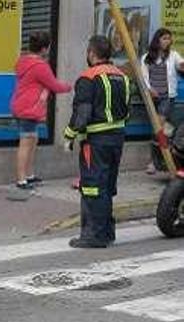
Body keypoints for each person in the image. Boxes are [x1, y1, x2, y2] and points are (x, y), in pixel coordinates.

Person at [64, 35, 131, 249]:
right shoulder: (122, 76)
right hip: (117, 139)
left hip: (96, 141)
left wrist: (69, 135)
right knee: (108, 186)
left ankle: (94, 235)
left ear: (92, 54)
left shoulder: (88, 77)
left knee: (93, 186)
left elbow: (82, 114)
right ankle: (107, 232)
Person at [10, 31, 72, 191]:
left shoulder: (22, 61)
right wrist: (70, 86)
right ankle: (21, 179)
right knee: (26, 143)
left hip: (21, 106)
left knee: (33, 140)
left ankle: (29, 176)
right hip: (29, 109)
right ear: (44, 49)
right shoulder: (40, 67)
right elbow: (54, 86)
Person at [140, 28, 184, 174]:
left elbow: (180, 64)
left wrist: (182, 65)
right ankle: (162, 158)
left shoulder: (173, 55)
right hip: (152, 97)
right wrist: (149, 90)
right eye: (164, 38)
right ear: (157, 40)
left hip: (167, 97)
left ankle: (154, 162)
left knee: (158, 126)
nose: (167, 41)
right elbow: (144, 77)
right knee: (161, 129)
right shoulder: (147, 57)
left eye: (169, 39)